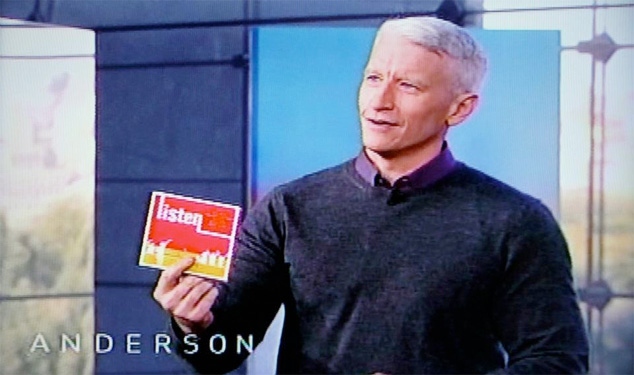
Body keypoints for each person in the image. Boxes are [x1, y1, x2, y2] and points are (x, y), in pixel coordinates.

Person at [153, 16, 589, 374]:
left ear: (460, 108)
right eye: (374, 77)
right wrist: (194, 325)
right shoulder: (288, 208)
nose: (379, 100)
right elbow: (221, 355)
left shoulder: (515, 221)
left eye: (408, 86)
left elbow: (557, 363)